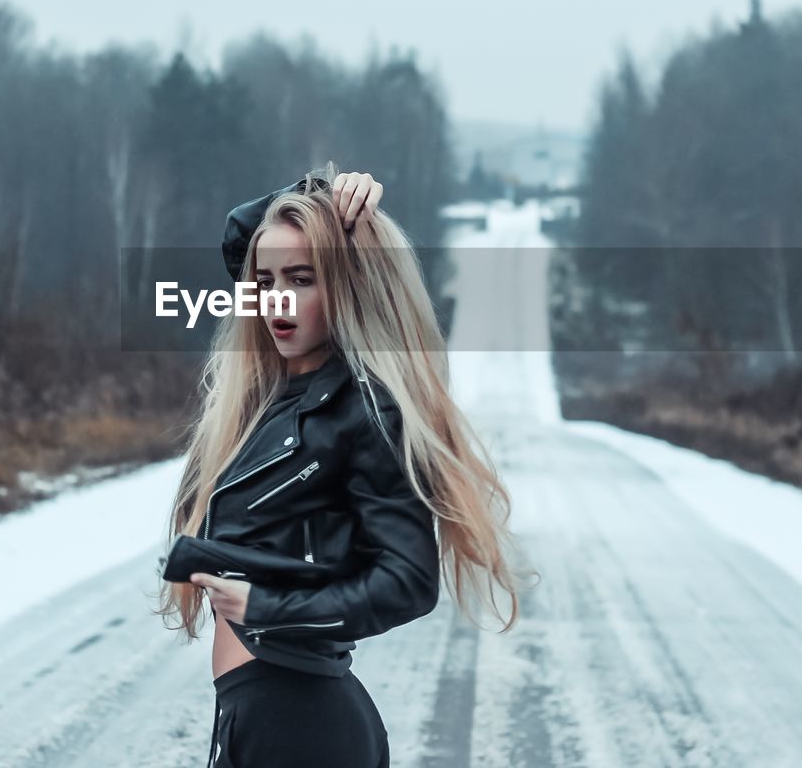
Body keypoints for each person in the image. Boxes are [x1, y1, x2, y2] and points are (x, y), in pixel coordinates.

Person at [157, 161, 533, 767]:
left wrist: (268, 609)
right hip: (256, 715)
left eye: (302, 279)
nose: (278, 297)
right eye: (267, 280)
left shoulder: (365, 411)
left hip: (301, 723)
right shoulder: (274, 401)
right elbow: (241, 238)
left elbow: (408, 582)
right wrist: (313, 194)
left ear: (348, 287)